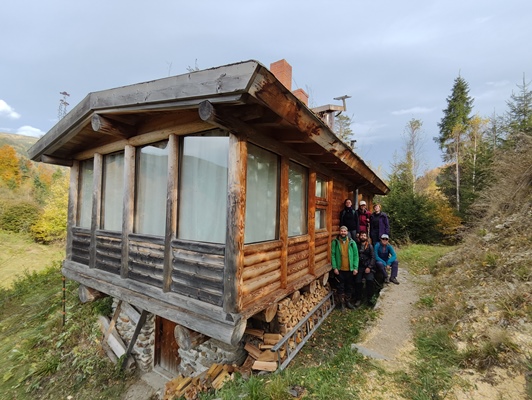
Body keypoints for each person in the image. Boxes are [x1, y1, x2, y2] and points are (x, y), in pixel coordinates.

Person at [331, 225, 359, 311]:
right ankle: (342, 304)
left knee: (349, 286)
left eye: (344, 231)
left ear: (347, 232)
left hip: (349, 269)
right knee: (340, 287)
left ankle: (348, 302)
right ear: (339, 232)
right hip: (340, 269)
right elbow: (333, 255)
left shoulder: (352, 243)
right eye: (341, 231)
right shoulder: (335, 242)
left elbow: (356, 256)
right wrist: (335, 267)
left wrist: (355, 268)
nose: (343, 232)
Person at [354, 231, 376, 306]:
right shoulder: (356, 246)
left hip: (368, 267)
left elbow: (373, 257)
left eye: (364, 235)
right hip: (359, 267)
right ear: (359, 237)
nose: (363, 237)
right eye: (361, 235)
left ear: (366, 237)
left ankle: (369, 298)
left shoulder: (370, 246)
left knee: (370, 280)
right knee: (357, 281)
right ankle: (358, 299)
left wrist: (369, 267)